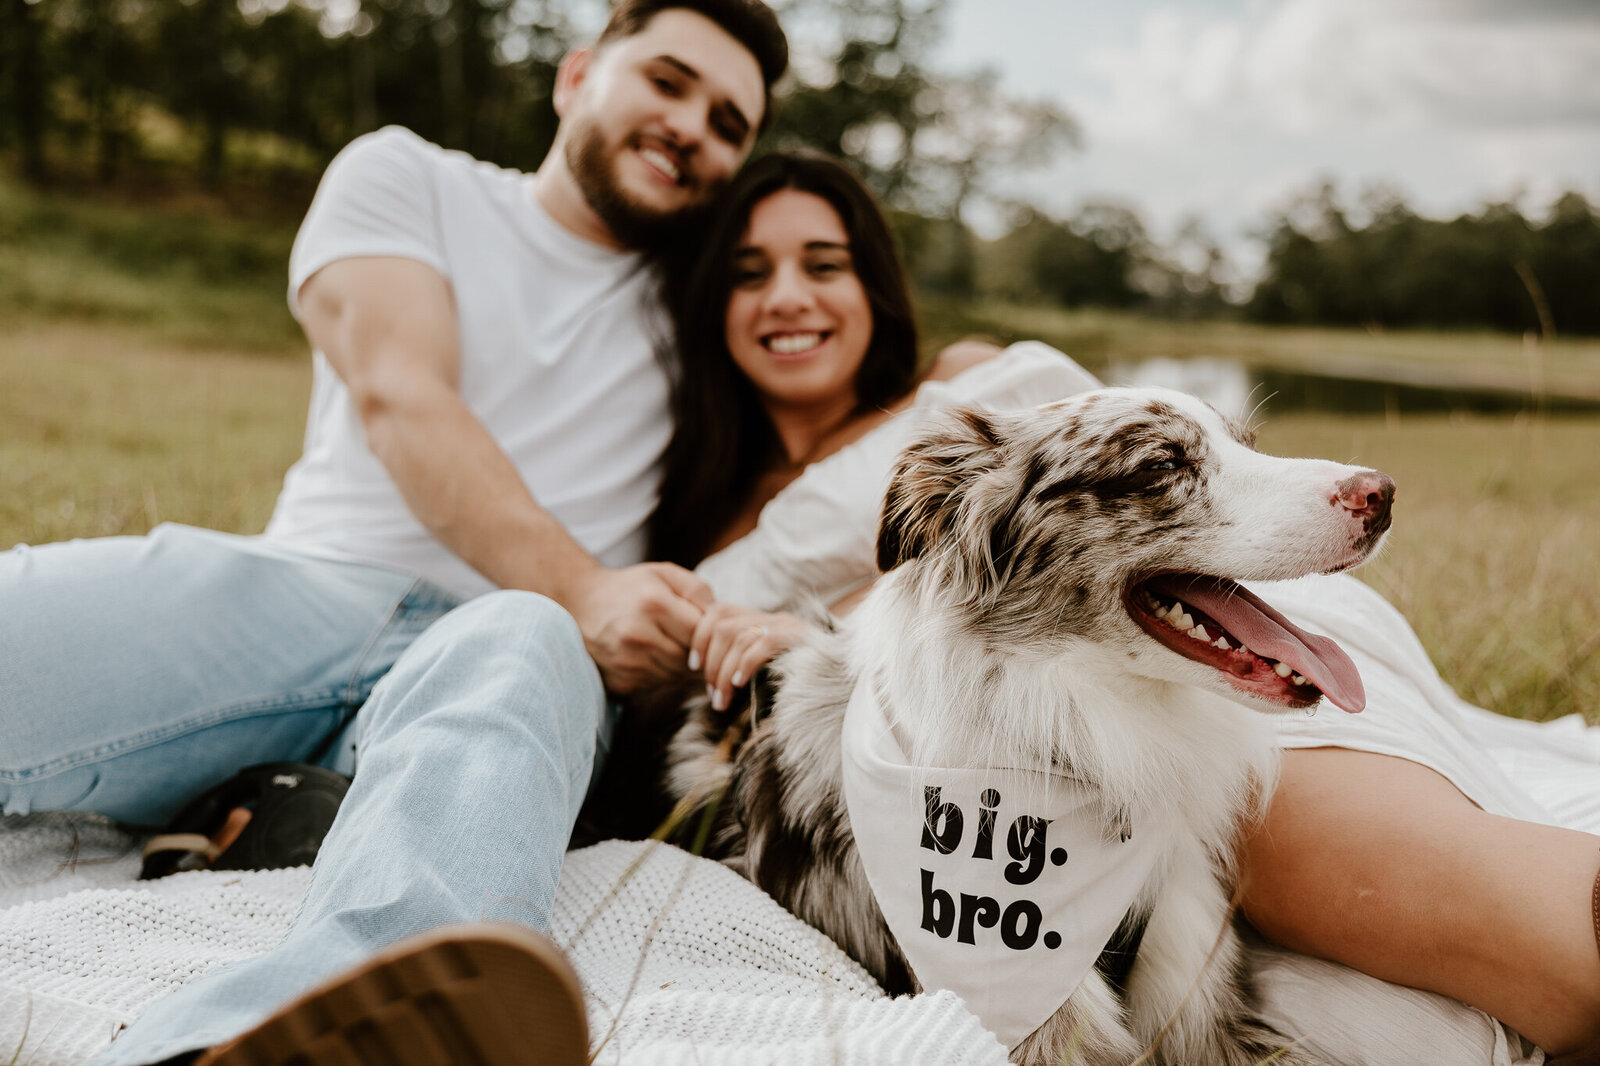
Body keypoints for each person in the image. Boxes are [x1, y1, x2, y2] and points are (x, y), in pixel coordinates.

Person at [645, 148, 1600, 1063]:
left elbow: (1126, 491)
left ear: (873, 284)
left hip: (1226, 635)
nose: (791, 295)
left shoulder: (975, 385)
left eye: (825, 262)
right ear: (705, 302)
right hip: (1063, 686)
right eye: (747, 271)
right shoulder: (698, 508)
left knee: (1428, 892)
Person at [0, 2, 787, 1064]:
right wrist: (587, 589)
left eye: (730, 122)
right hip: (300, 598)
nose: (695, 125)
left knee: (520, 637)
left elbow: (863, 401)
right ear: (578, 75)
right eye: (669, 81)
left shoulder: (713, 317)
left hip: (508, 663)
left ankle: (290, 1032)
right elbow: (400, 394)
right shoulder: (408, 178)